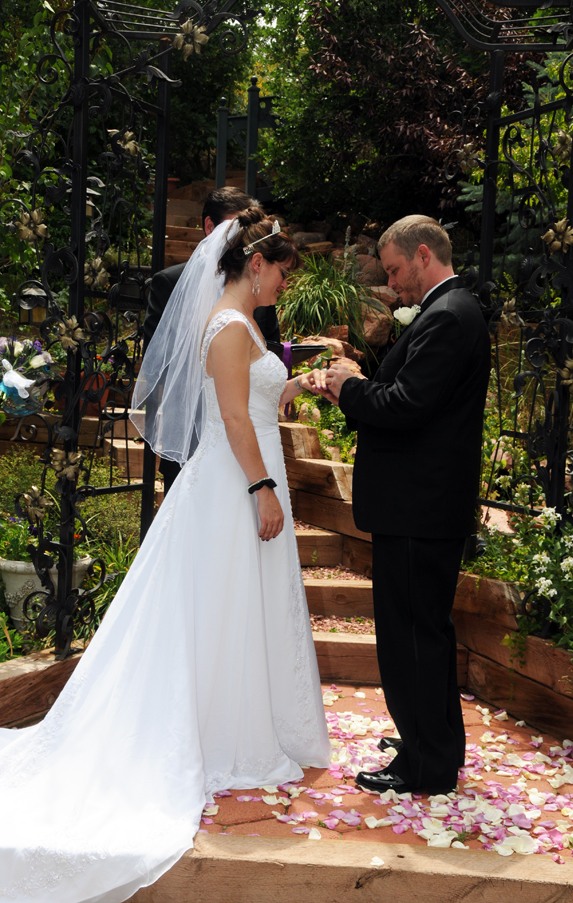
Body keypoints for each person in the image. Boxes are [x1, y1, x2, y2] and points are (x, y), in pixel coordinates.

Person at [0, 210, 330, 903]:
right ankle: (216, 732)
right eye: (281, 271)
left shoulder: (240, 328)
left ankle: (242, 718)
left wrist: (307, 382)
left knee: (239, 606)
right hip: (233, 489)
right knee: (220, 608)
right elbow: (235, 419)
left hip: (241, 478)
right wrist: (263, 488)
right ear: (256, 264)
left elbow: (258, 401)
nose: (284, 284)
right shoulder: (229, 328)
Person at [320, 215, 490, 795]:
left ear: (423, 255)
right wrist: (358, 379)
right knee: (428, 631)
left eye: (395, 271)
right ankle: (436, 741)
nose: (393, 286)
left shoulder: (447, 315)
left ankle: (425, 764)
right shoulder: (454, 310)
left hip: (419, 505)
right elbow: (411, 398)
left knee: (410, 635)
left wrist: (347, 386)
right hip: (424, 503)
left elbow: (405, 406)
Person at [145, 186, 280, 493]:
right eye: (235, 229)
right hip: (194, 432)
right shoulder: (169, 282)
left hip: (251, 433)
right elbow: (159, 361)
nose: (241, 240)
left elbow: (270, 342)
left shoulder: (260, 286)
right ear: (209, 227)